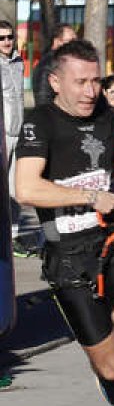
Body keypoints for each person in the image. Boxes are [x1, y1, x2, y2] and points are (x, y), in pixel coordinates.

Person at [14, 39, 114, 406]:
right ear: (56, 82)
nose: (90, 91)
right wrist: (86, 198)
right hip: (68, 258)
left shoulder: (106, 118)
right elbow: (26, 188)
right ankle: (108, 378)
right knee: (113, 366)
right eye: (80, 82)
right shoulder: (38, 122)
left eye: (95, 80)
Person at [1, 20, 25, 252]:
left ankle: (14, 235)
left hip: (18, 131)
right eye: (2, 38)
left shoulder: (19, 62)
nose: (7, 41)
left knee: (15, 187)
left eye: (10, 37)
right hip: (2, 133)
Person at [31, 23, 76, 107]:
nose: (74, 45)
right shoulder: (48, 63)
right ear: (57, 41)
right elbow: (43, 96)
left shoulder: (62, 60)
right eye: (71, 41)